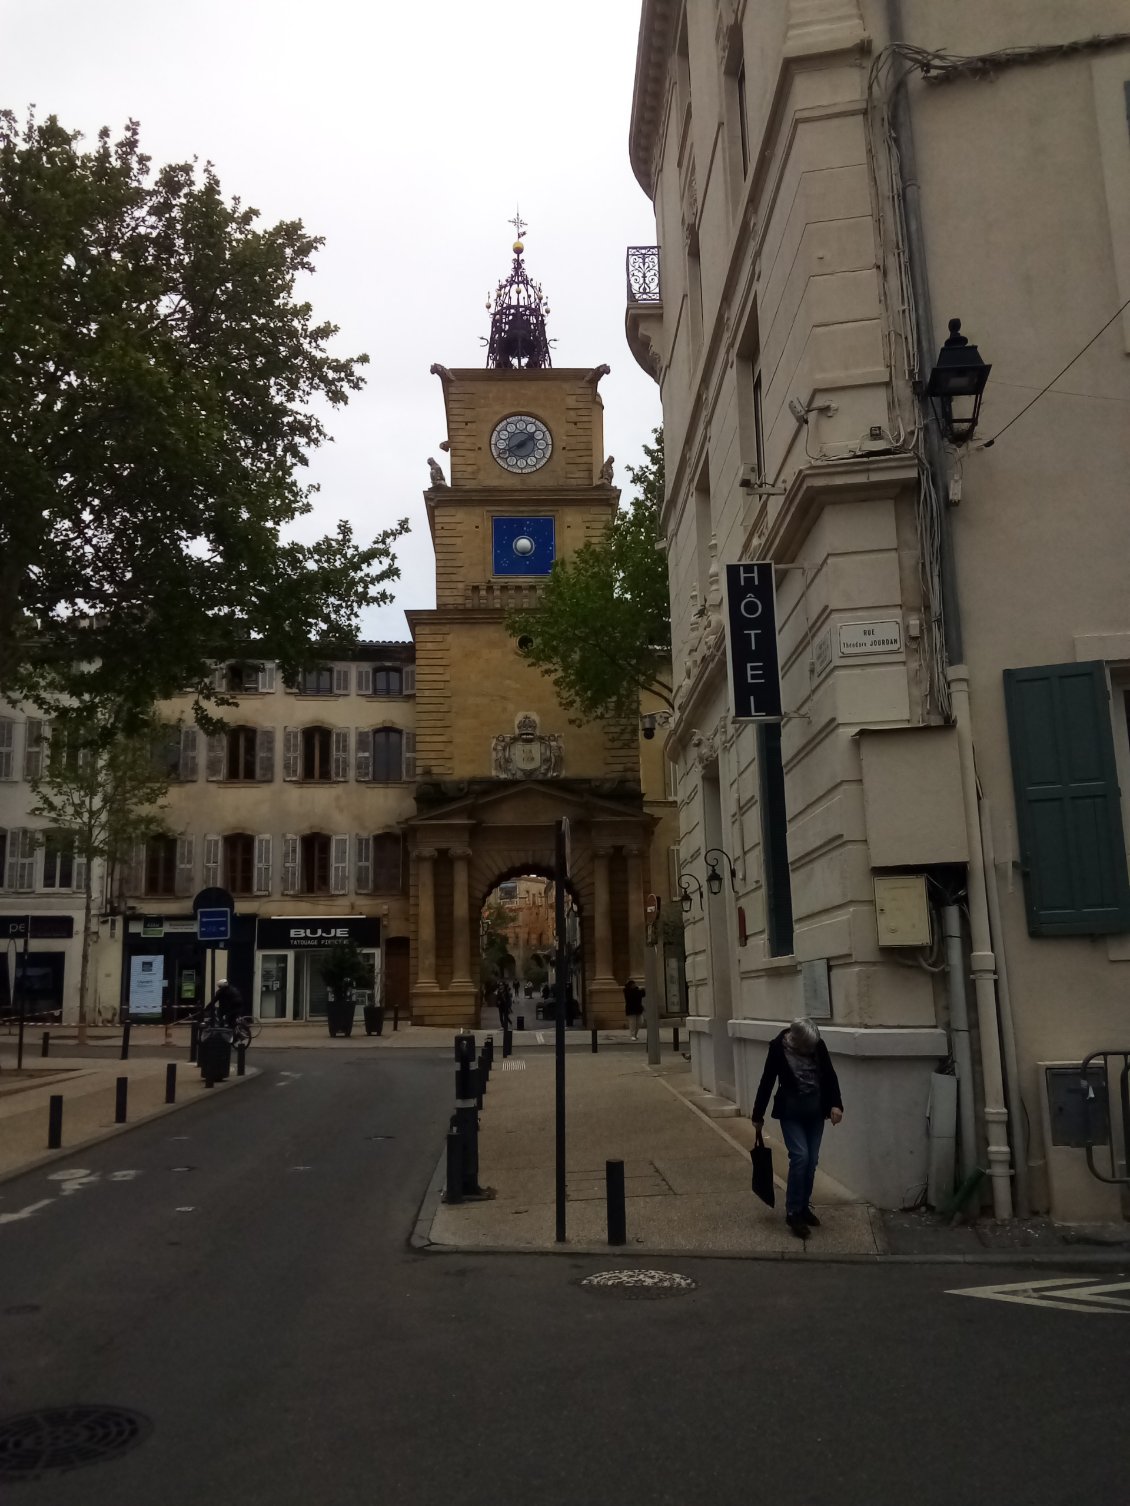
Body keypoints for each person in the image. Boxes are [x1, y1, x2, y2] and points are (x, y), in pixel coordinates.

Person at [751, 1017, 843, 1240]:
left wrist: (836, 1104)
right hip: (791, 1112)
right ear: (797, 1040)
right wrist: (757, 1114)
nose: (811, 1049)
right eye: (808, 1046)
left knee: (812, 1161)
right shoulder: (778, 1048)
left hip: (815, 1111)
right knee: (800, 1156)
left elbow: (829, 1075)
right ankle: (792, 1212)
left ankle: (803, 1207)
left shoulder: (817, 1045)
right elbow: (767, 1080)